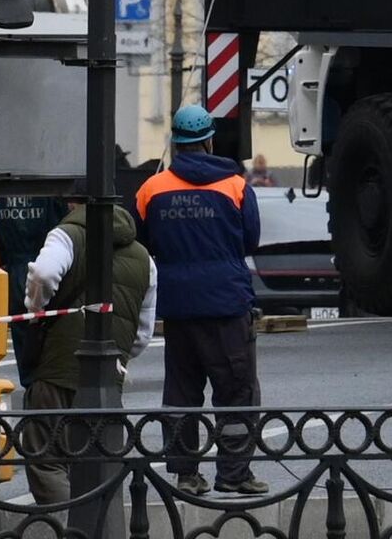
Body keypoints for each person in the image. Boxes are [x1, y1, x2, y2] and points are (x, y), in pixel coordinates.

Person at [135, 103, 266, 496]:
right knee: (237, 391)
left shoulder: (151, 189)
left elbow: (141, 243)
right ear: (209, 141)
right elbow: (251, 239)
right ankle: (234, 474)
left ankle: (186, 475)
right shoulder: (236, 186)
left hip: (178, 308)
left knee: (181, 392)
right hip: (227, 305)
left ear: (175, 142)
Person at [20, 195, 157, 507]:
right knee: (97, 463)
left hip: (58, 365)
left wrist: (35, 308)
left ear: (72, 203)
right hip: (110, 375)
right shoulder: (144, 257)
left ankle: (68, 526)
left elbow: (43, 274)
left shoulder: (66, 234)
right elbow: (143, 329)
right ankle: (97, 527)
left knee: (47, 456)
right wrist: (119, 354)